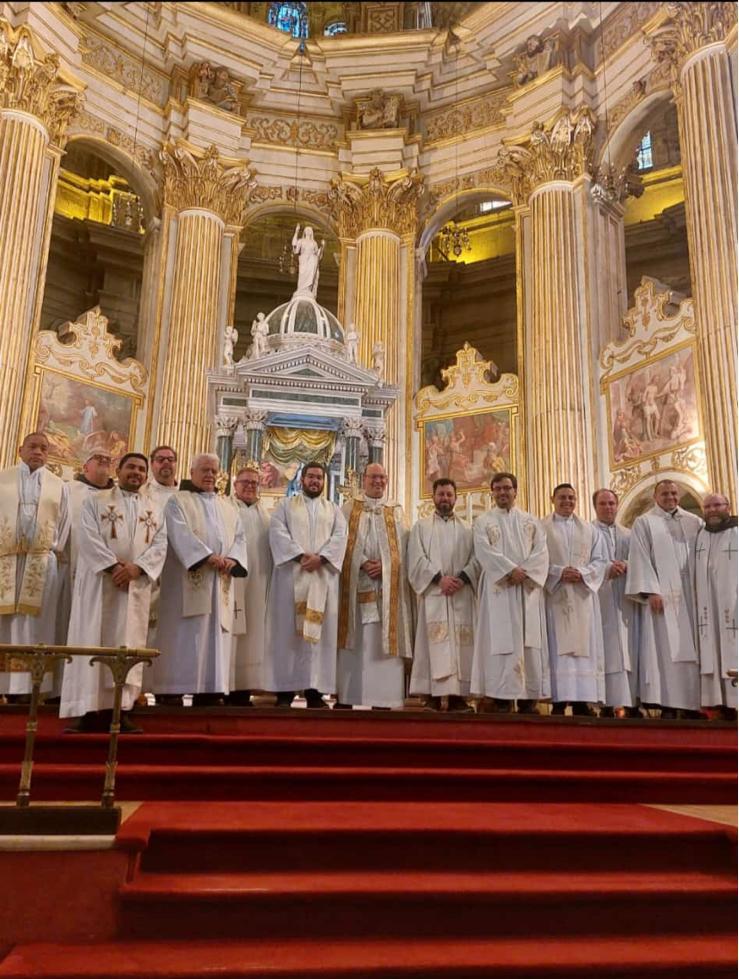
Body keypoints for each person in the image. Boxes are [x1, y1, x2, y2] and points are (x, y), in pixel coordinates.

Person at [60, 453, 167, 733]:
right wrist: (112, 567)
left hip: (134, 588)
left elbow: (160, 545)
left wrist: (137, 569)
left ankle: (122, 709)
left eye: (141, 469)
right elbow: (87, 537)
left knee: (128, 644)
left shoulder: (155, 508)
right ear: (118, 471)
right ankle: (86, 709)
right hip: (99, 586)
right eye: (130, 467)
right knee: (91, 641)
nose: (136, 472)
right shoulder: (94, 502)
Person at [152, 453, 247, 706]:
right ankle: (172, 689)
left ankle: (210, 690)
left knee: (215, 634)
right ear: (191, 472)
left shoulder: (228, 506)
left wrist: (233, 559)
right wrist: (206, 556)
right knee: (185, 635)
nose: (209, 475)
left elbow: (239, 537)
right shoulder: (177, 501)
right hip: (187, 581)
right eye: (204, 470)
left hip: (219, 581)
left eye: (214, 471)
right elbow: (178, 533)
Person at [264, 463, 347, 708]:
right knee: (288, 635)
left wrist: (321, 558)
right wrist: (301, 556)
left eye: (319, 477)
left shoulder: (333, 510)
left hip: (322, 577)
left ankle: (315, 691)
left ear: (324, 482)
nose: (315, 481)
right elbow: (277, 533)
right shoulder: (286, 506)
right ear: (302, 480)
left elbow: (341, 536)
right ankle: (285, 692)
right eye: (310, 476)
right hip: (291, 577)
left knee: (318, 638)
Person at [471, 472, 549, 714]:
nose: (503, 493)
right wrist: (509, 570)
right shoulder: (483, 521)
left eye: (507, 488)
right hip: (499, 589)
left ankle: (529, 698)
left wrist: (524, 572)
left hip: (526, 589)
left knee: (529, 642)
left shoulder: (531, 521)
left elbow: (541, 551)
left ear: (516, 491)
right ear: (492, 492)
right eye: (498, 489)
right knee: (500, 643)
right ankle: (501, 697)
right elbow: (483, 551)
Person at [337, 463, 413, 709]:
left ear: (387, 480)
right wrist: (361, 562)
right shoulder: (349, 509)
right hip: (356, 582)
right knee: (357, 639)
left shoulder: (396, 511)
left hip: (386, 586)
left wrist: (386, 565)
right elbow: (340, 542)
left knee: (383, 639)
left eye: (382, 477)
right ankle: (349, 696)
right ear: (364, 479)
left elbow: (405, 547)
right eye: (373, 477)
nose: (378, 481)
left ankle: (384, 698)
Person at [625, 479, 703, 719]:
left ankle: (693, 705)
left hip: (692, 597)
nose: (670, 497)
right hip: (662, 599)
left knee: (695, 650)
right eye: (665, 493)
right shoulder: (645, 522)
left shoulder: (695, 522)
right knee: (665, 651)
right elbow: (639, 557)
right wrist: (651, 591)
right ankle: (668, 704)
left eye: (673, 493)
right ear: (655, 496)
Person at [0, 433, 70, 698]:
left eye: (44, 448)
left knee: (35, 625)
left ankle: (30, 688)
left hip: (41, 562)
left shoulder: (58, 485)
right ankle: (3, 685)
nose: (38, 452)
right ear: (20, 450)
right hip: (4, 559)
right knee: (4, 623)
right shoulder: (2, 479)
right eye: (33, 447)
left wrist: (48, 548)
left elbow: (63, 524)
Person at [408, 478, 479, 711]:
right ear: (433, 497)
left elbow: (478, 559)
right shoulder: (421, 527)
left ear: (456, 497)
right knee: (433, 644)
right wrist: (440, 579)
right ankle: (432, 696)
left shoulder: (469, 528)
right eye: (441, 494)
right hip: (434, 594)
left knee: (462, 645)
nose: (445, 499)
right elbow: (416, 559)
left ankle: (459, 697)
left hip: (461, 594)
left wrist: (462, 578)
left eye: (449, 494)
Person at [543, 483, 607, 717]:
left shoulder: (590, 530)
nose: (567, 501)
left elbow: (601, 560)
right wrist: (559, 572)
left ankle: (582, 700)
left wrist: (583, 573)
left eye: (571, 498)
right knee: (556, 649)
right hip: (555, 595)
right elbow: (536, 560)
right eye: (562, 497)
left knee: (583, 650)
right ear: (553, 498)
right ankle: (558, 701)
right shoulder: (541, 528)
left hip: (582, 596)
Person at [592, 489, 640, 718]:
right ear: (595, 506)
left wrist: (627, 565)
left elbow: (641, 559)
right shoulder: (588, 532)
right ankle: (605, 703)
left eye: (611, 503)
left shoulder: (629, 534)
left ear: (618, 505)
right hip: (599, 597)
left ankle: (631, 702)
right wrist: (605, 569)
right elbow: (583, 562)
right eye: (603, 503)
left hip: (625, 597)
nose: (608, 507)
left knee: (628, 647)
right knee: (605, 649)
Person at [230, 466, 272, 706]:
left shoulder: (266, 517)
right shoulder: (225, 510)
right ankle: (222, 687)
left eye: (254, 483)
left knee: (253, 636)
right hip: (231, 582)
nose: (249, 486)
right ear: (235, 485)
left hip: (258, 583)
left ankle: (244, 689)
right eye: (245, 482)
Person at [694, 493, 736, 720]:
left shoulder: (737, 530)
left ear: (727, 507)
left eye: (717, 505)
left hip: (734, 604)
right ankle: (720, 702)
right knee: (714, 650)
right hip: (709, 607)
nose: (712, 510)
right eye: (708, 506)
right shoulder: (701, 535)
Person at [292, 225, 324, 298]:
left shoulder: (314, 243)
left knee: (311, 273)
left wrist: (321, 249)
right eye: (307, 230)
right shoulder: (301, 240)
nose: (308, 231)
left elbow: (318, 255)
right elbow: (296, 251)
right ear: (305, 232)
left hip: (312, 261)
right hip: (303, 260)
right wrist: (296, 232)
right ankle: (301, 289)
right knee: (303, 275)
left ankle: (308, 289)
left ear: (311, 233)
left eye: (310, 230)